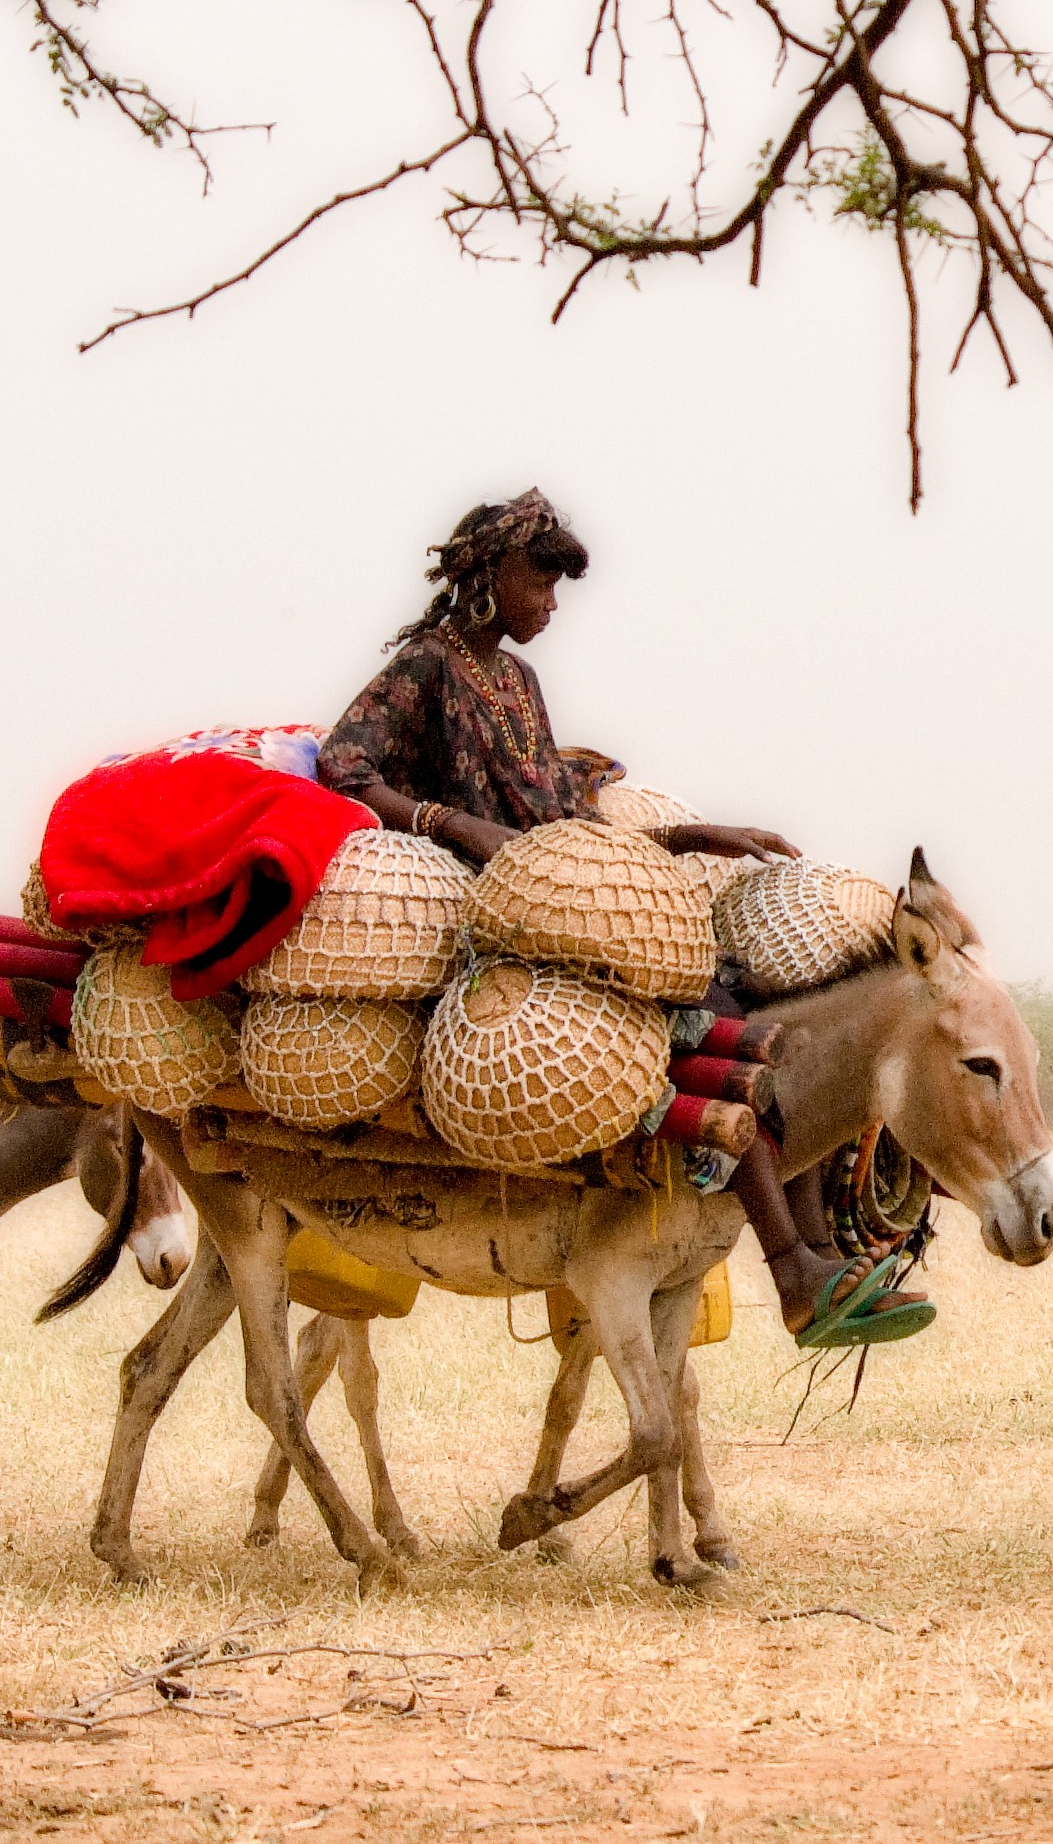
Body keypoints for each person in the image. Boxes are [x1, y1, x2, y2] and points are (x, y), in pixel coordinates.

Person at [318, 491, 923, 1350]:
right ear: (488, 577)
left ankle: (820, 1256)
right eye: (542, 582)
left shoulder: (518, 681)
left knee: (750, 1013)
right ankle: (793, 1268)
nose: (551, 605)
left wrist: (692, 834)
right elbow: (343, 768)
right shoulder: (425, 664)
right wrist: (452, 824)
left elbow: (565, 810)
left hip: (558, 889)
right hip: (487, 914)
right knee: (699, 1020)